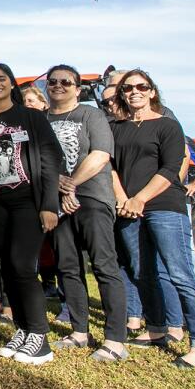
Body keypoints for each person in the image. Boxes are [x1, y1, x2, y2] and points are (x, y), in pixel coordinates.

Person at [111, 69, 195, 368]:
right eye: (128, 88)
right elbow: (111, 167)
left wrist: (141, 198)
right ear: (122, 94)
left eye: (142, 87)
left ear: (152, 92)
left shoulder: (168, 126)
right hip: (129, 207)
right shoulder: (117, 128)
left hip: (164, 205)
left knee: (180, 273)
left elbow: (171, 169)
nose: (135, 92)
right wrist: (122, 198)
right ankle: (156, 328)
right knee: (142, 271)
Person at [0, 62, 63, 365]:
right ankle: (23, 330)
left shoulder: (30, 117)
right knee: (6, 267)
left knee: (23, 266)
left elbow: (51, 159)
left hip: (28, 202)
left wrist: (49, 205)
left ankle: (40, 336)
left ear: (12, 83)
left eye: (1, 79)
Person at [43, 64, 128, 362]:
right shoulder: (40, 120)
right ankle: (80, 331)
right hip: (55, 204)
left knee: (104, 265)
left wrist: (71, 186)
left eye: (66, 81)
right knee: (67, 266)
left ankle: (116, 339)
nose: (58, 85)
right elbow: (34, 162)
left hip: (91, 198)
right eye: (52, 81)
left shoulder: (91, 115)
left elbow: (101, 155)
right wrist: (57, 188)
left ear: (77, 88)